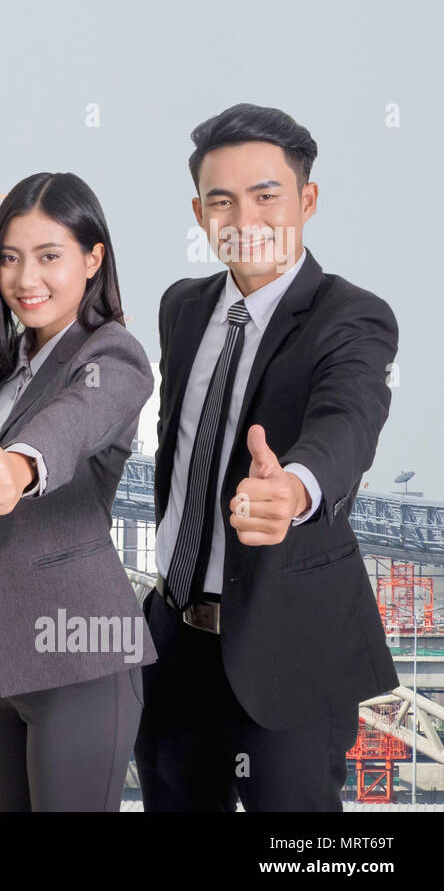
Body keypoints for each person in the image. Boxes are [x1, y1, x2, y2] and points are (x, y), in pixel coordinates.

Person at [135, 103, 399, 811]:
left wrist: (299, 487)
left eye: (266, 195)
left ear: (307, 200)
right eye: (221, 199)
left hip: (289, 646)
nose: (243, 217)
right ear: (199, 212)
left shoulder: (351, 315)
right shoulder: (183, 308)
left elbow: (349, 417)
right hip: (172, 639)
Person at [0, 172, 155, 810]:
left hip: (81, 651)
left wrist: (19, 467)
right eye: (10, 258)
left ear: (93, 259)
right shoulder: (4, 373)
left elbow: (76, 421)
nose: (26, 277)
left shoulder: (112, 355)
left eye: (48, 256)